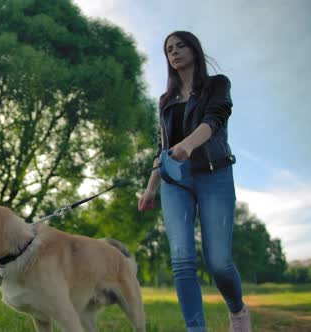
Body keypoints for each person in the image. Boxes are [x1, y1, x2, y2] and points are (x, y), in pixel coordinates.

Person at [138, 31, 252, 332]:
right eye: (168, 50)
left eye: (180, 46)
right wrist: (150, 189)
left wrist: (188, 144)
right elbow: (161, 149)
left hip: (215, 175)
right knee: (182, 261)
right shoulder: (165, 101)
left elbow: (215, 120)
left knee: (219, 263)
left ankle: (238, 311)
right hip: (175, 183)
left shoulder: (217, 85)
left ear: (194, 49)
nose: (174, 52)